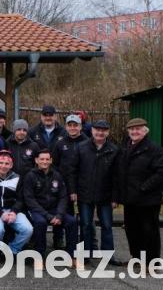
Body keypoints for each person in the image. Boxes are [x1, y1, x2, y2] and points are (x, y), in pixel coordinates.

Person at [116, 118, 163, 261]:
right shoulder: (125, 148)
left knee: (149, 232)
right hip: (130, 199)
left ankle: (151, 262)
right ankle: (136, 258)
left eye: (138, 129)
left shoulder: (155, 149)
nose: (134, 132)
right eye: (131, 129)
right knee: (132, 230)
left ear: (145, 131)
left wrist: (144, 187)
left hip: (148, 200)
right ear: (128, 131)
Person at [69, 120, 123, 265]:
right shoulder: (81, 147)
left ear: (108, 132)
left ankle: (108, 256)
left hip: (106, 196)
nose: (100, 133)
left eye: (103, 130)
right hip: (84, 194)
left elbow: (117, 176)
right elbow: (73, 171)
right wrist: (73, 190)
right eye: (97, 130)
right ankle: (85, 255)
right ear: (92, 131)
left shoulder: (114, 149)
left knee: (107, 225)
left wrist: (115, 197)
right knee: (85, 225)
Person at [21, 149, 80, 270]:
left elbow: (63, 197)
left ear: (51, 160)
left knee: (72, 222)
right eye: (42, 159)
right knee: (40, 223)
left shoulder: (57, 175)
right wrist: (48, 216)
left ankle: (71, 256)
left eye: (47, 159)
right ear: (36, 160)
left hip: (54, 210)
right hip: (38, 211)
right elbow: (29, 200)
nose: (45, 161)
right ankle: (39, 258)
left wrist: (59, 215)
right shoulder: (30, 176)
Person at [0, 150, 32, 255]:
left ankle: (12, 250)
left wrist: (14, 212)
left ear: (11, 165)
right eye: (1, 163)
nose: (3, 166)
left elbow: (21, 198)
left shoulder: (16, 177)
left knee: (28, 229)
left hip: (12, 210)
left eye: (7, 163)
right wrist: (0, 213)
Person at [50, 114, 88, 248]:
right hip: (63, 186)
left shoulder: (87, 142)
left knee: (85, 218)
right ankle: (58, 240)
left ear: (80, 127)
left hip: (82, 185)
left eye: (75, 125)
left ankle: (86, 244)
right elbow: (53, 165)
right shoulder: (60, 143)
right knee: (63, 213)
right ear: (66, 127)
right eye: (70, 125)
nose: (72, 128)